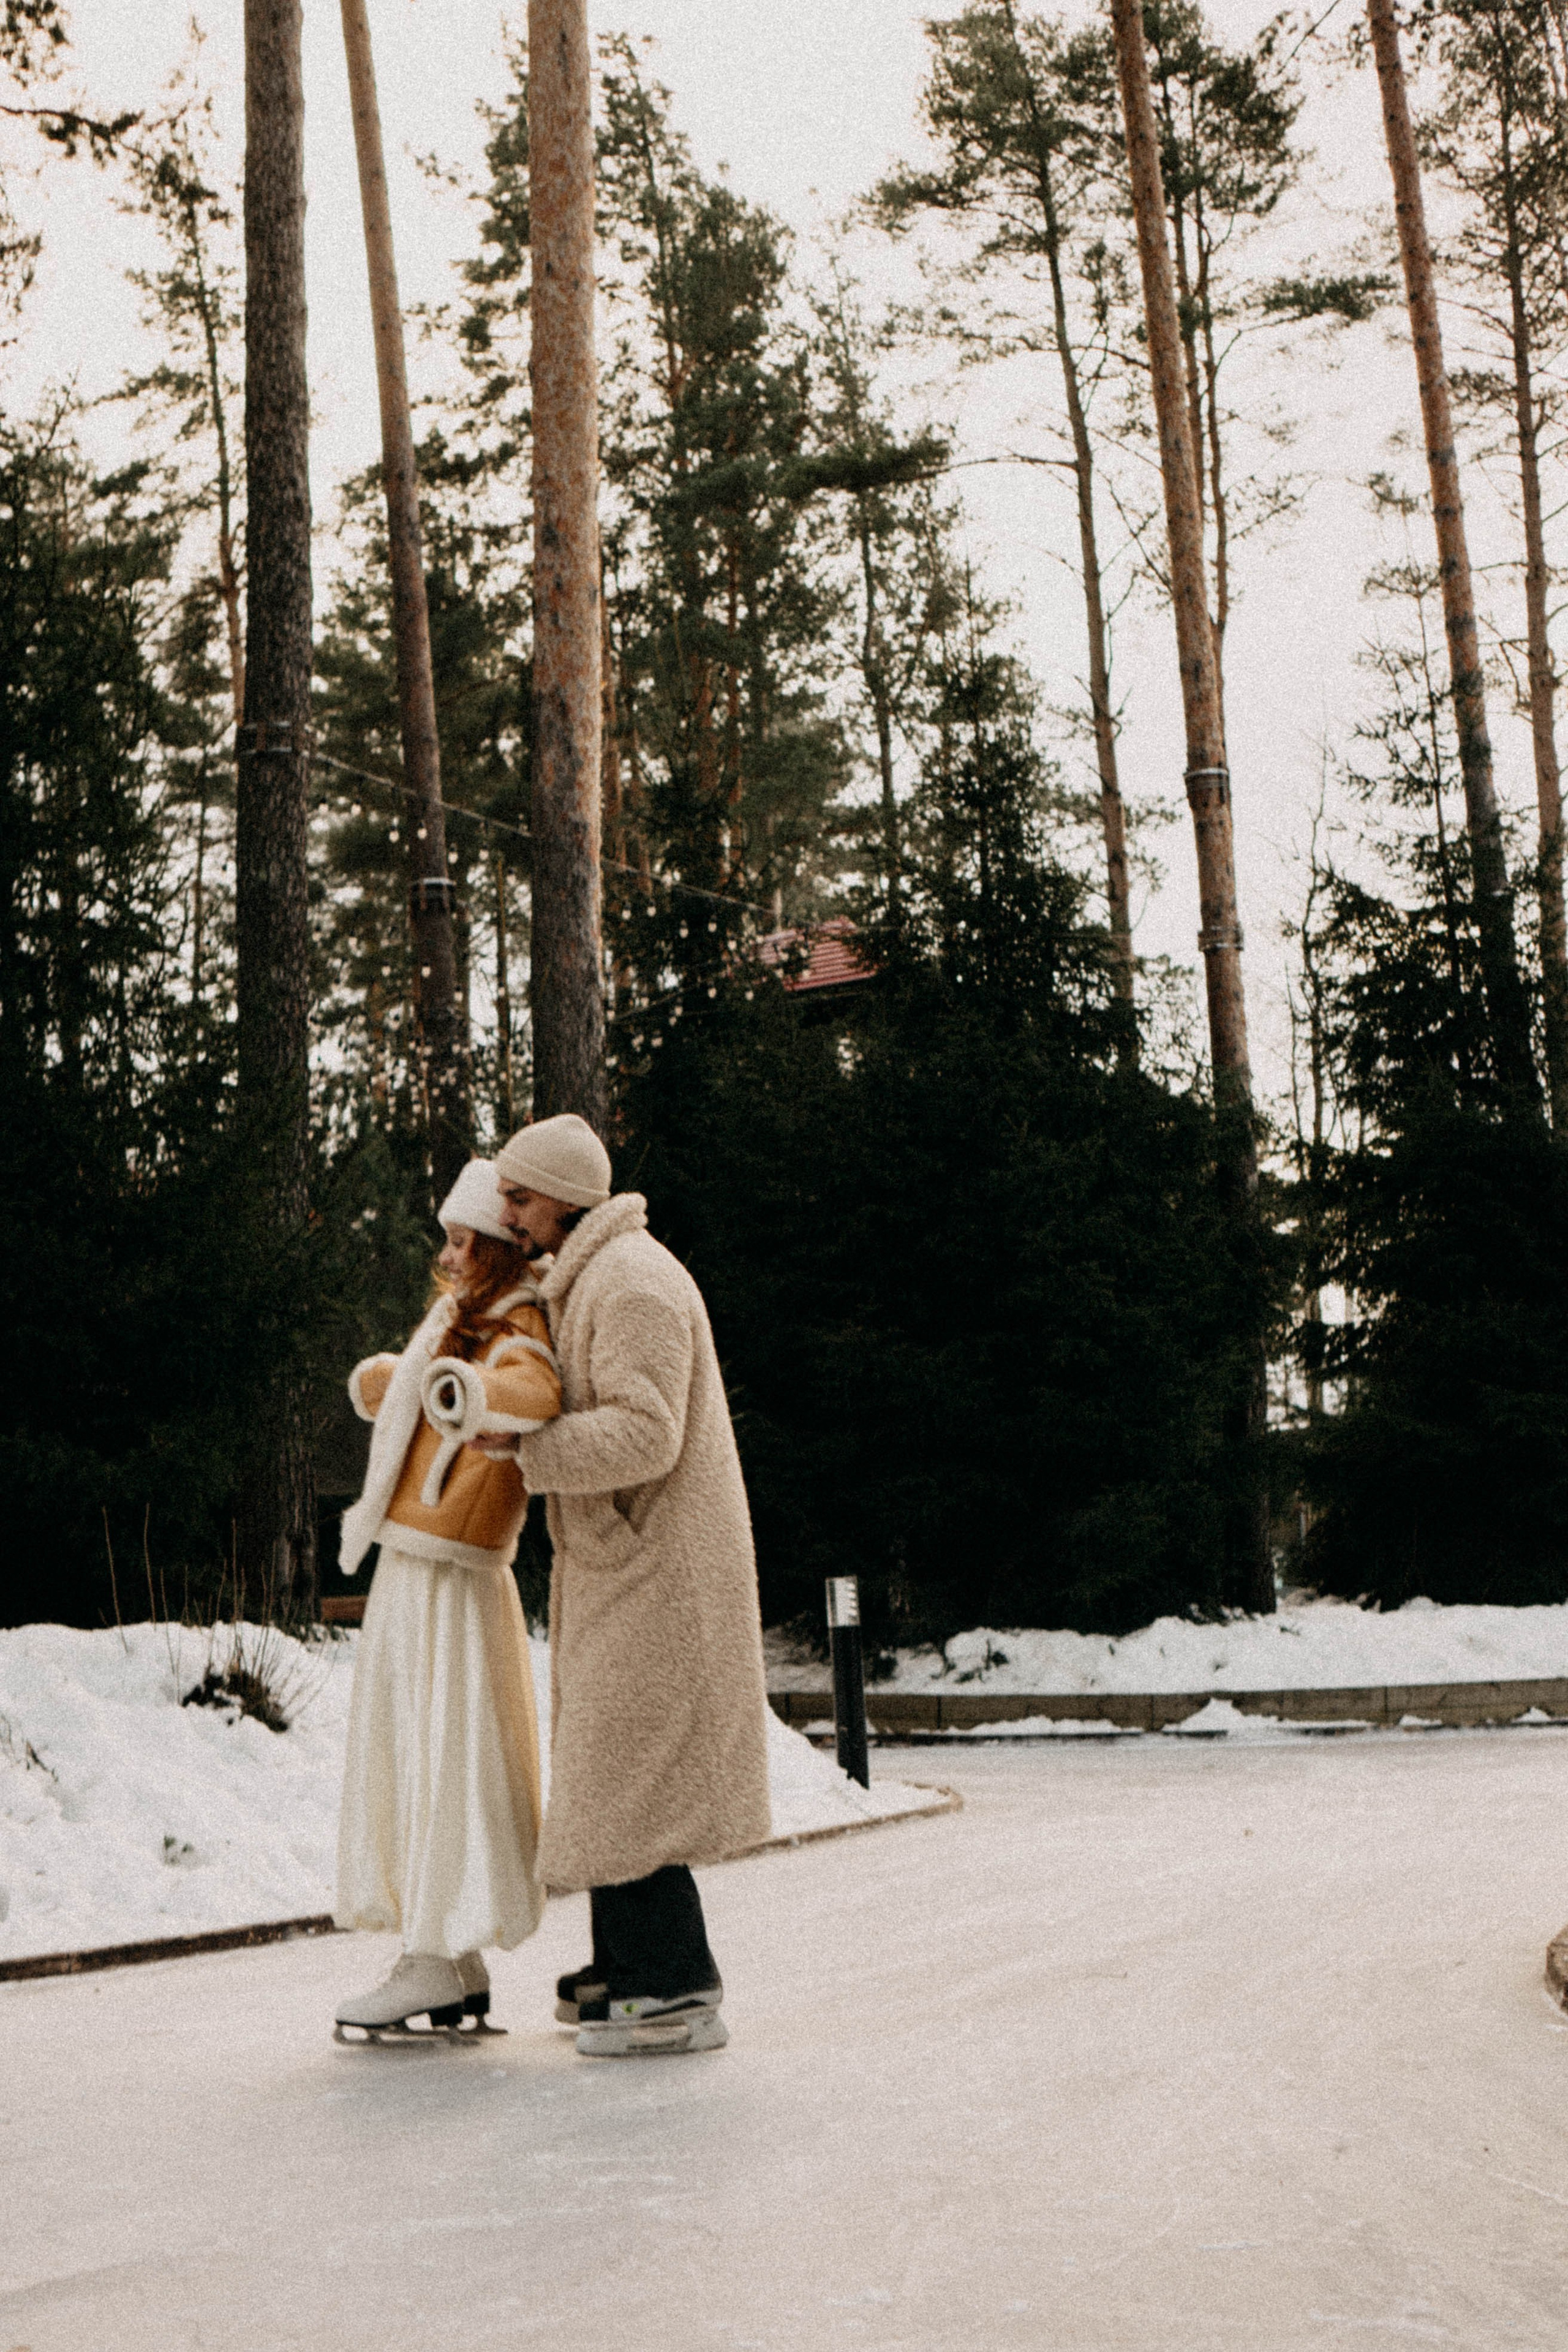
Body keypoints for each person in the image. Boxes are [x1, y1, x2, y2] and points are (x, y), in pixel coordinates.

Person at [480, 1113, 772, 2059]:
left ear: (564, 1198)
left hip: (663, 1569)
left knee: (638, 1768)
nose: (510, 1215)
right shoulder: (596, 1274)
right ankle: (629, 1960)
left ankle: (676, 1980)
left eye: (520, 1197)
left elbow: (648, 1432)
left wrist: (528, 1450)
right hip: (631, 1564)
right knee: (615, 1760)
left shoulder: (634, 1280)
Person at [331, 1158, 562, 2041]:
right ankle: (450, 1957)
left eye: (469, 1241)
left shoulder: (517, 1321)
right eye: (451, 1239)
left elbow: (531, 1389)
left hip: (450, 1575)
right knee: (427, 1748)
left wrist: (465, 1393)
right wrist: (398, 1380)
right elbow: (436, 1387)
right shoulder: (461, 1321)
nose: (453, 1255)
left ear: (503, 1250)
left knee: (440, 1753)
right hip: (427, 1565)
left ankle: (432, 1955)